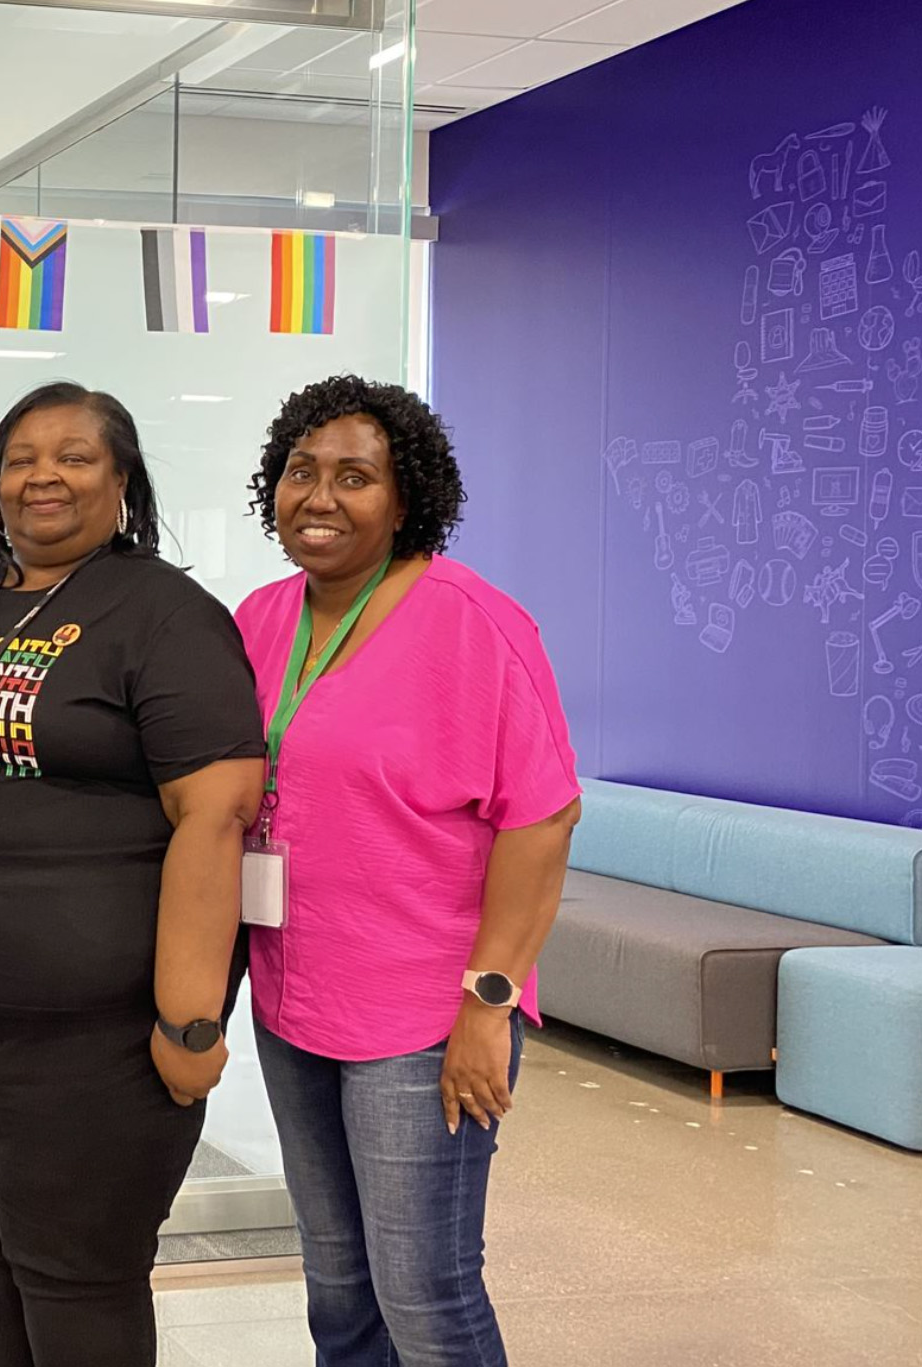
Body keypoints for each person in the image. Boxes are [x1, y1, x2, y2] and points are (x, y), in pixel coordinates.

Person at [0, 381, 267, 1365]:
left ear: (122, 479)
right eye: (21, 456)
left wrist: (189, 1018)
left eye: (75, 455)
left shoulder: (164, 614)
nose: (44, 474)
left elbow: (216, 816)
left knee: (77, 1267)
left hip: (87, 1030)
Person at [235, 375, 580, 1367]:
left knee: (425, 1291)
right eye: (302, 471)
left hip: (425, 1015)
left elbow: (543, 814)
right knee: (337, 1289)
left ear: (406, 497)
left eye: (355, 476)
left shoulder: (474, 622)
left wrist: (489, 999)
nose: (320, 497)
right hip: (294, 998)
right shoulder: (261, 618)